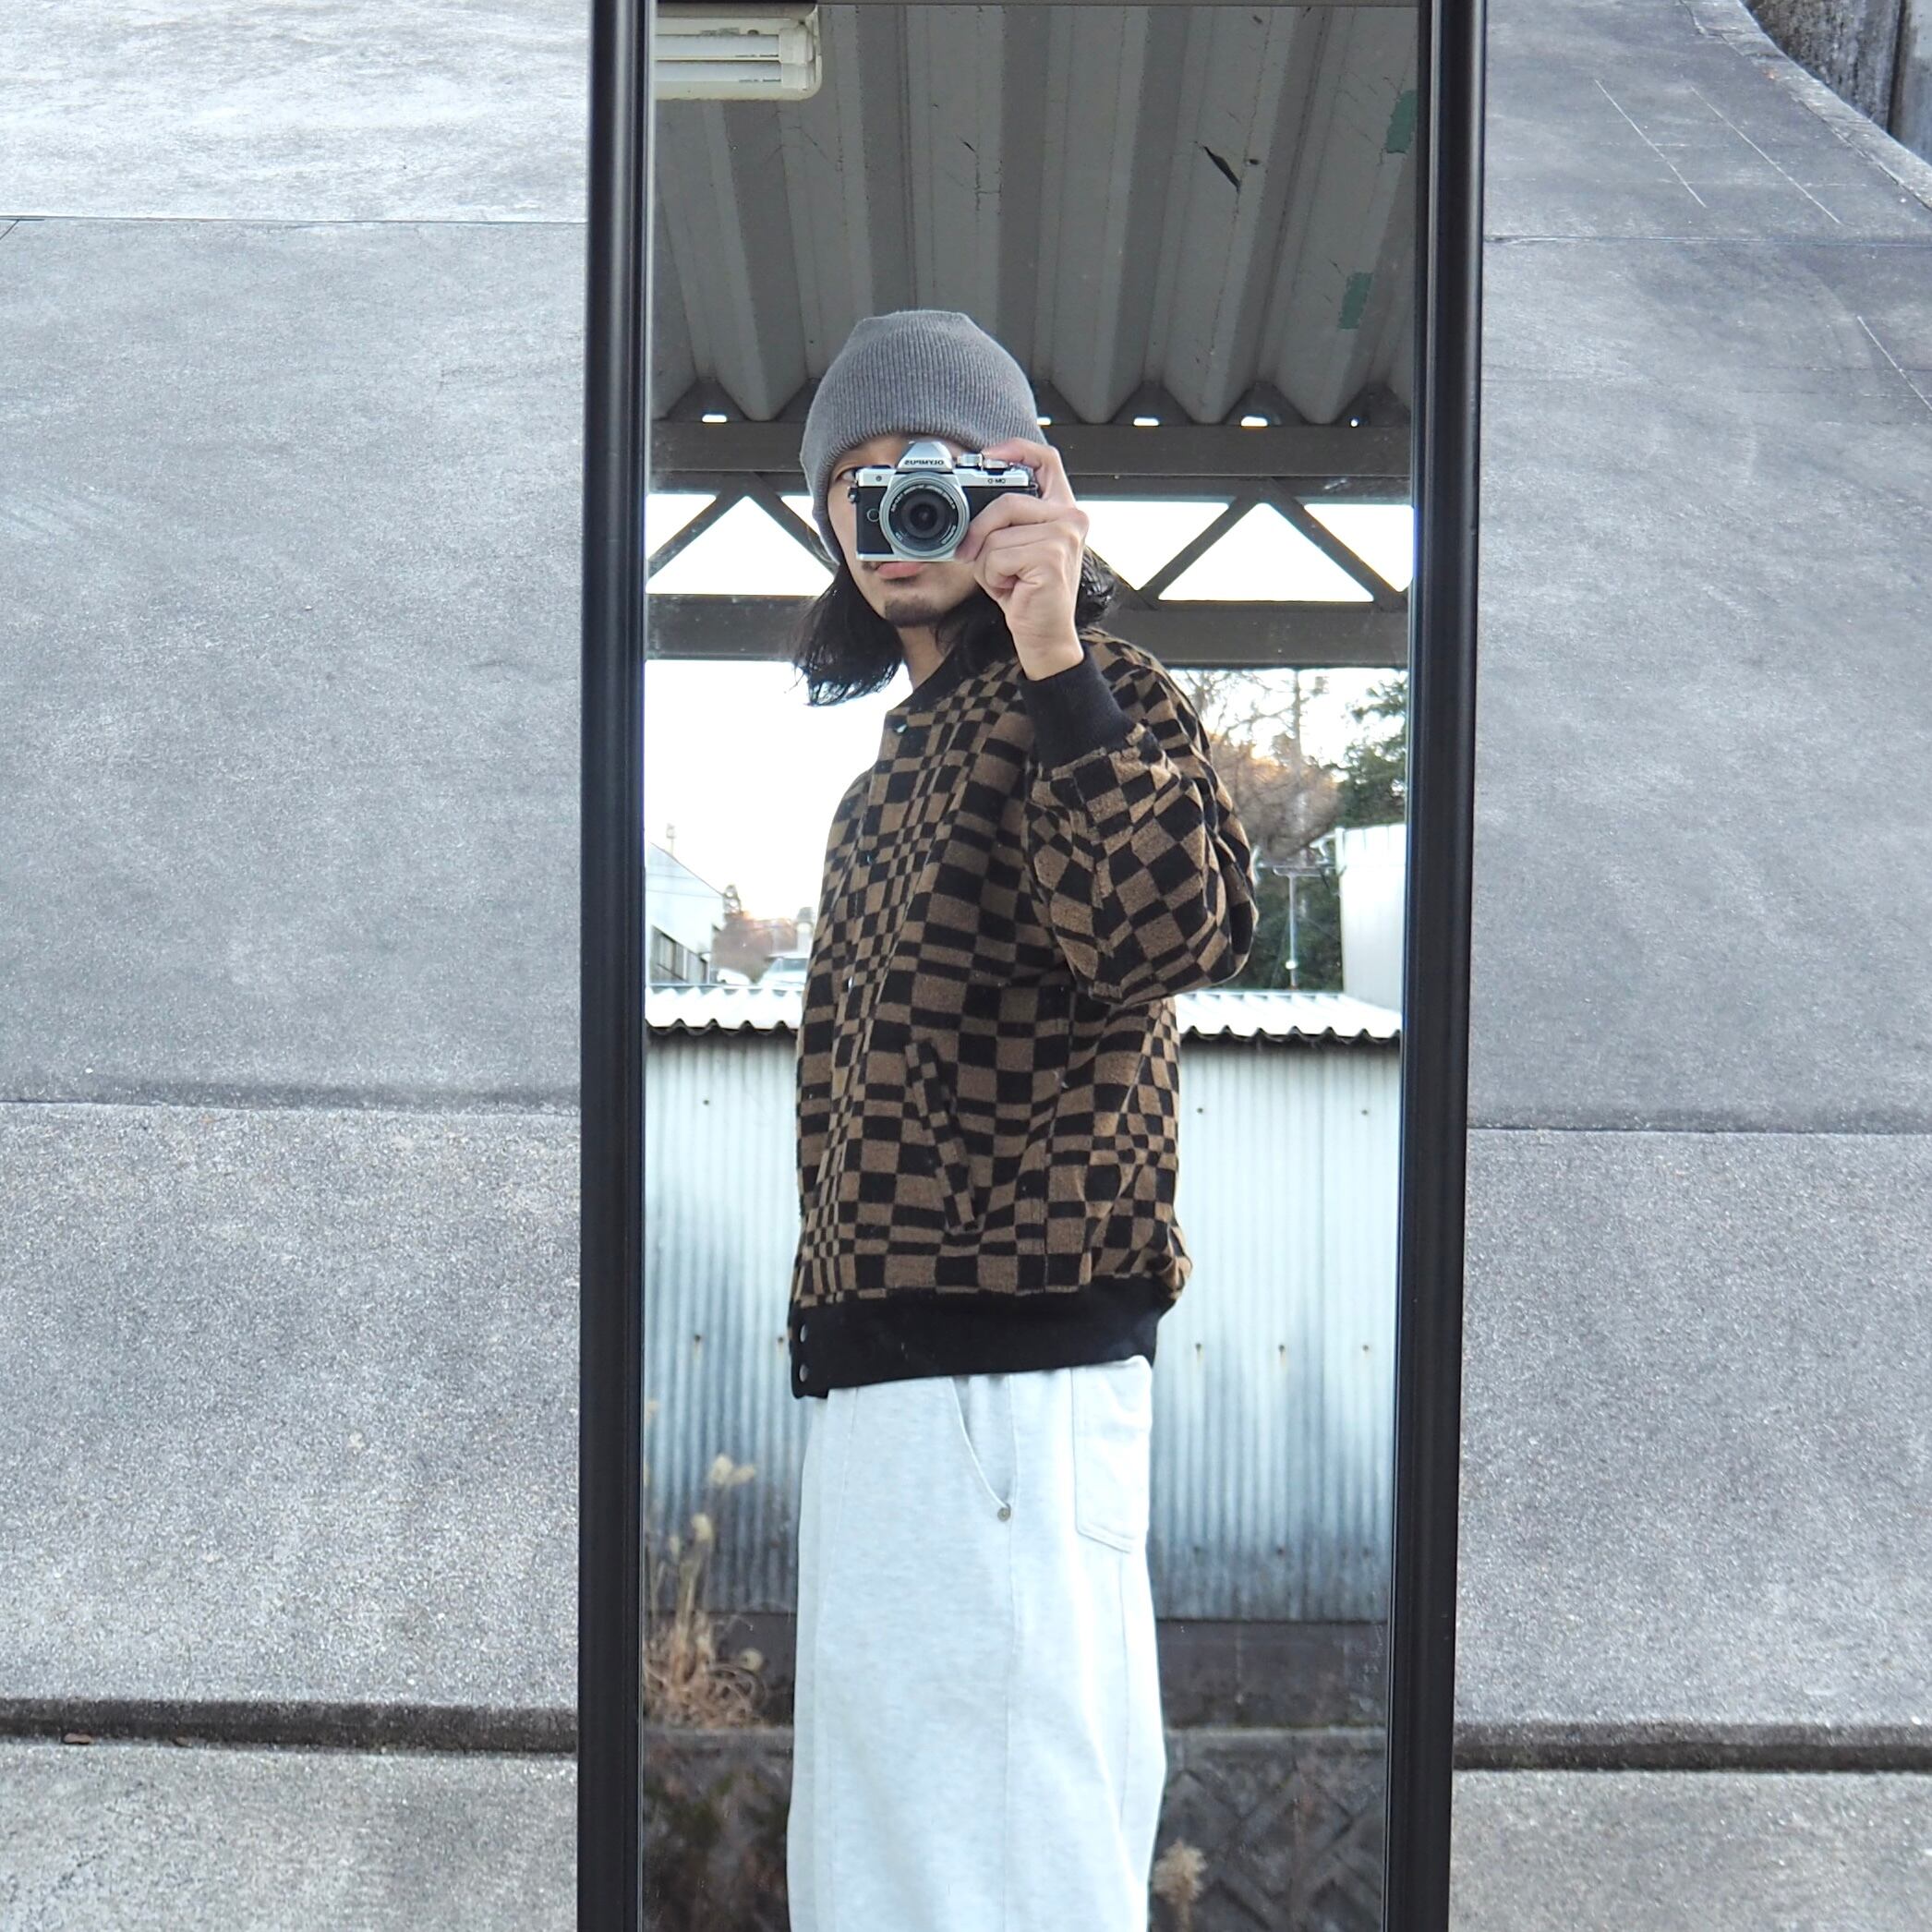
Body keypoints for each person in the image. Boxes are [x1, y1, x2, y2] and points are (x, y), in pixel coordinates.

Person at [781, 308, 1256, 1932]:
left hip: (1013, 1372)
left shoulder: (1096, 695)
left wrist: (1055, 647)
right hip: (885, 1381)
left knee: (1010, 1852)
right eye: (853, 479)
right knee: (886, 1866)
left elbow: (1167, 932)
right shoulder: (879, 784)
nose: (890, 505)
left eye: (928, 466)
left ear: (1018, 483)